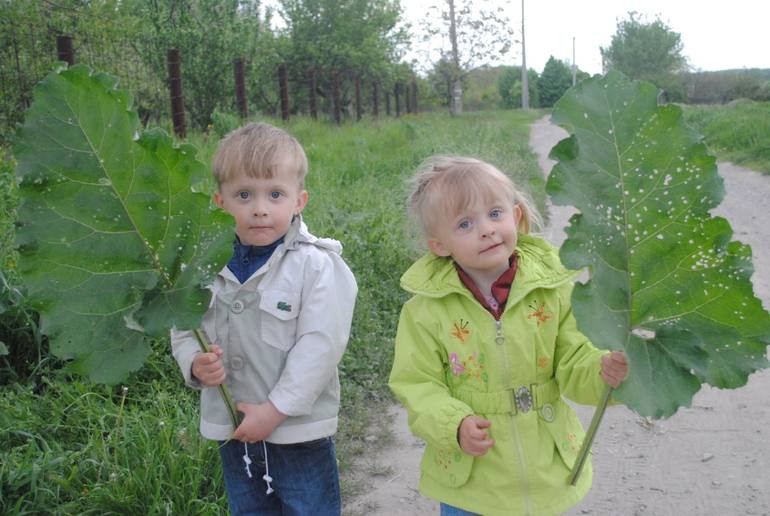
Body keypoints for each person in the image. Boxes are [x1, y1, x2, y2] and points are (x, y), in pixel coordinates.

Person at [389, 156, 628, 516]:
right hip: (471, 483)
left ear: (516, 217)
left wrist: (602, 370)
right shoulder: (426, 312)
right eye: (465, 223)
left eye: (495, 213)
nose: (486, 229)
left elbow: (575, 360)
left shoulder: (553, 292)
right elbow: (416, 383)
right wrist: (454, 424)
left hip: (544, 471)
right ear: (439, 245)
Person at [171, 122, 357, 516]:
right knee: (248, 509)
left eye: (275, 194)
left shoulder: (316, 265)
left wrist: (274, 411)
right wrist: (194, 362)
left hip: (295, 431)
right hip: (233, 426)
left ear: (299, 200)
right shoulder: (202, 265)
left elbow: (321, 347)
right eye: (244, 194)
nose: (260, 207)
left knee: (311, 508)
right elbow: (184, 323)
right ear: (220, 202)